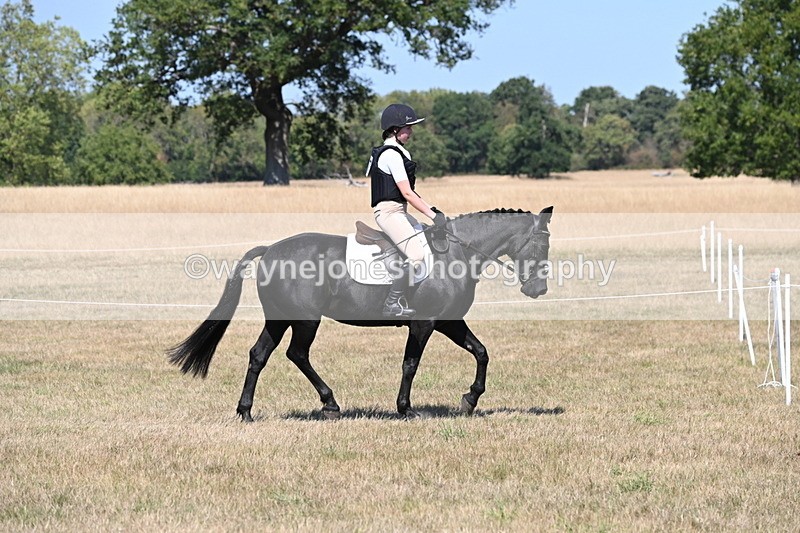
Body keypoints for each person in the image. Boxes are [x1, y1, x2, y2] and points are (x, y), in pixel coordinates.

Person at [365, 103, 447, 318]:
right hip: (389, 213)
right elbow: (408, 193)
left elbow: (409, 193)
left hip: (399, 212)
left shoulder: (399, 152)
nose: (411, 132)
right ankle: (391, 303)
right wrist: (433, 215)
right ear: (395, 129)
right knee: (417, 254)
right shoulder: (391, 155)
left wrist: (433, 210)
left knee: (425, 242)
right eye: (408, 128)